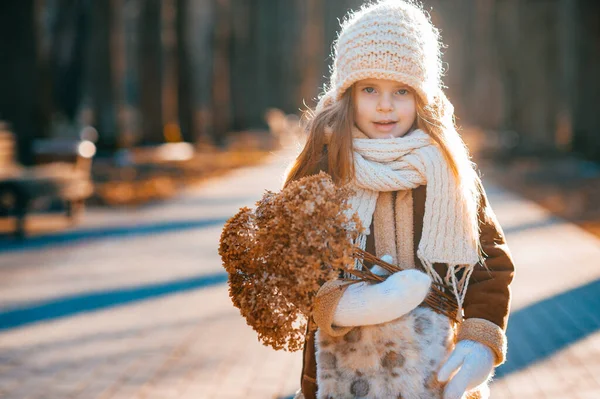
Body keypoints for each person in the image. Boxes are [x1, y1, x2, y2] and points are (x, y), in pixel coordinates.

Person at [284, 1, 515, 399]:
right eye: (370, 88)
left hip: (431, 375)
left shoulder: (448, 170)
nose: (385, 105)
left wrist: (480, 341)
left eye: (402, 90)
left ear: (422, 96)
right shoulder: (324, 168)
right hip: (342, 378)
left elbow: (489, 262)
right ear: (348, 92)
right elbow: (290, 260)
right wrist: (346, 306)